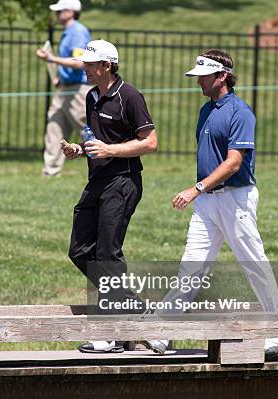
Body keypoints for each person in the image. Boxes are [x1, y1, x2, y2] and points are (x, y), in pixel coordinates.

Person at [142, 49, 278, 357]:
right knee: (191, 265)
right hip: (208, 203)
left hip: (235, 199)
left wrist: (196, 188)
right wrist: (202, 193)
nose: (198, 81)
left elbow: (234, 162)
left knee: (253, 263)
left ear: (222, 76)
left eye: (204, 76)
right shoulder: (206, 110)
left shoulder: (241, 112)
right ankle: (164, 330)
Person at [60, 40, 158, 353]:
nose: (85, 68)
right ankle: (138, 312)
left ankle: (112, 333)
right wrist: (80, 148)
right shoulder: (91, 96)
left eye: (90, 64)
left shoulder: (129, 95)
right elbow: (95, 137)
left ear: (106, 65)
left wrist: (110, 150)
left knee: (107, 254)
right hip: (98, 180)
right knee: (79, 250)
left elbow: (151, 142)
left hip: (123, 180)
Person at [36, 0, 91, 177]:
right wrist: (60, 76)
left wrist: (51, 59)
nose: (57, 14)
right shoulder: (68, 32)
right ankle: (50, 172)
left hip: (77, 91)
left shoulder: (78, 31)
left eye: (60, 11)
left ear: (70, 12)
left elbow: (80, 62)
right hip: (64, 89)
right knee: (54, 126)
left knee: (88, 129)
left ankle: (108, 162)